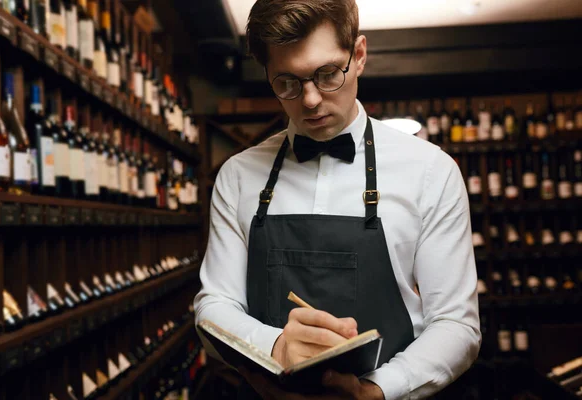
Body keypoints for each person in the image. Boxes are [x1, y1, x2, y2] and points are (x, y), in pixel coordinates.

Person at [193, 0, 481, 399]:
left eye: (327, 74)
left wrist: (375, 391)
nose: (310, 100)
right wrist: (277, 346)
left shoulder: (431, 171)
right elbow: (213, 306)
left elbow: (456, 325)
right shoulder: (238, 177)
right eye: (287, 82)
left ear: (358, 56)